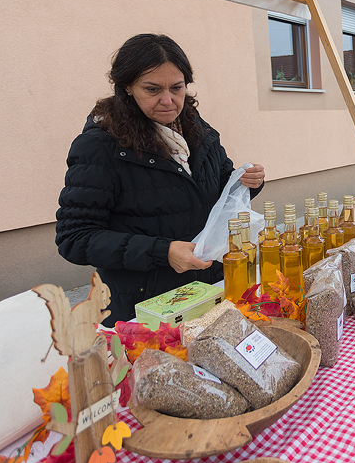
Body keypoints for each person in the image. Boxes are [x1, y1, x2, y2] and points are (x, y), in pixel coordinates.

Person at [56, 34, 265, 324]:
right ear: (127, 87)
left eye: (177, 88)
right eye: (152, 89)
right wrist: (162, 252)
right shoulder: (100, 147)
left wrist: (246, 181)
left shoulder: (198, 131)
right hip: (147, 307)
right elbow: (74, 238)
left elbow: (217, 188)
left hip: (208, 289)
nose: (168, 101)